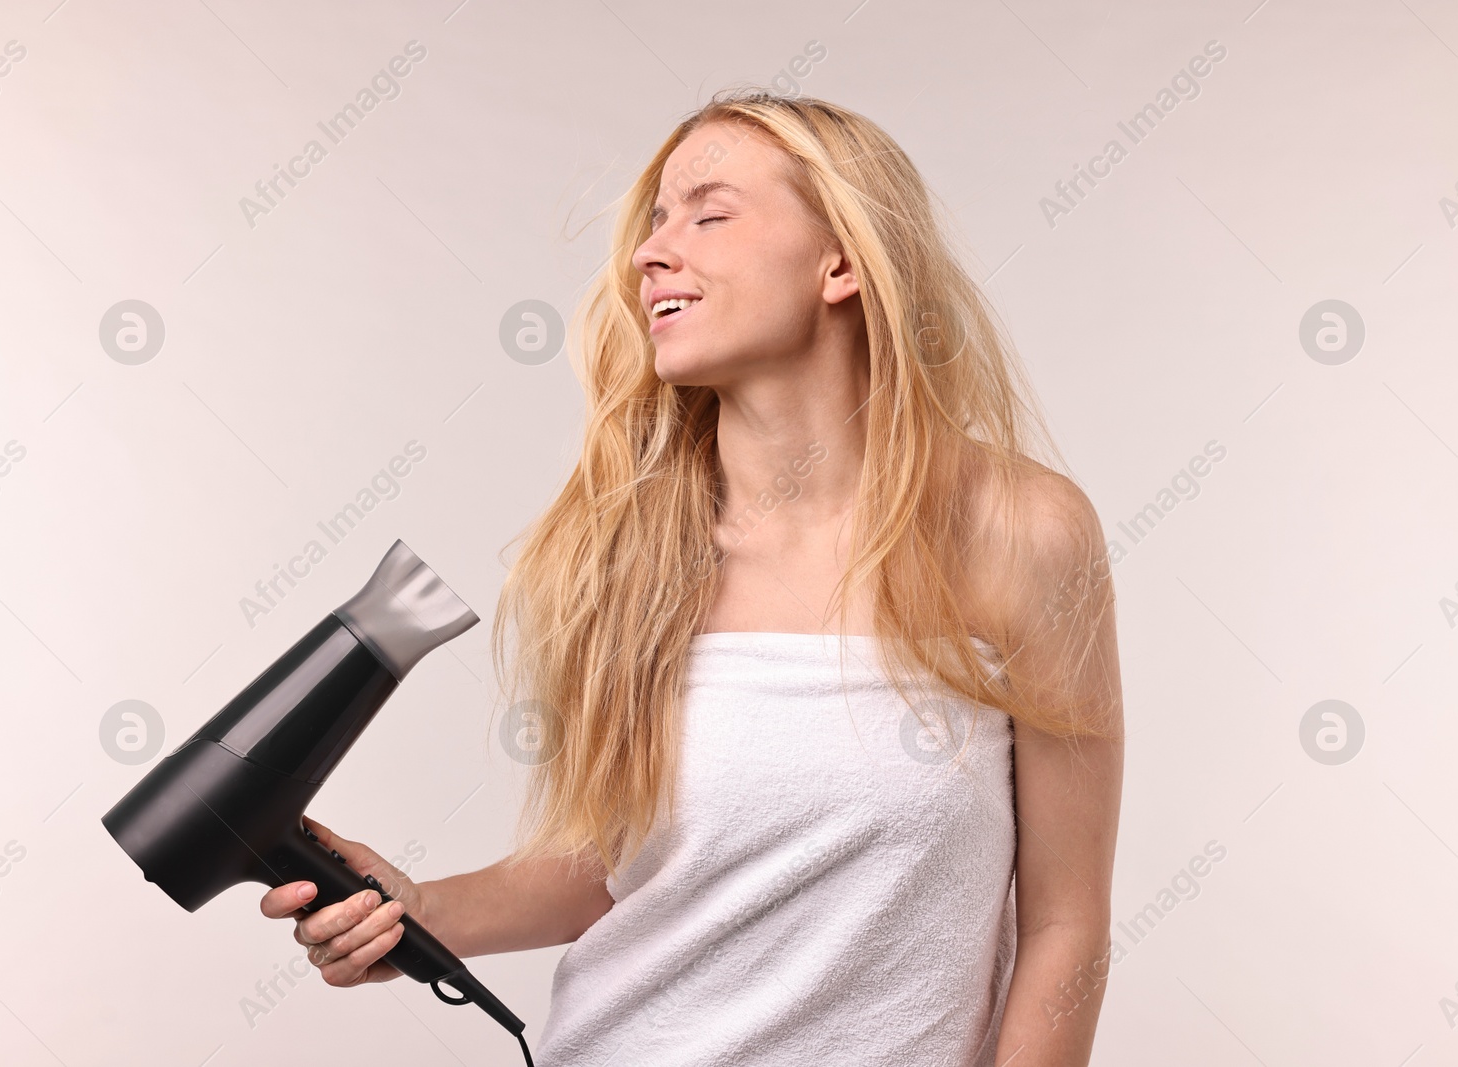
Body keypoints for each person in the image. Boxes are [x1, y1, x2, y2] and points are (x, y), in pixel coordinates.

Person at [261, 88, 1124, 1067]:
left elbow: (1066, 925)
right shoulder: (629, 550)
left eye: (708, 214)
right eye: (655, 222)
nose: (650, 252)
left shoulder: (1018, 532)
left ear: (841, 258)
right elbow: (612, 868)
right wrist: (419, 910)